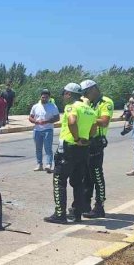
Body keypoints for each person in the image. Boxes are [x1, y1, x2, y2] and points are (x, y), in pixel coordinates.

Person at [45, 83, 97, 224]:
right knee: (78, 182)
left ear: (69, 94)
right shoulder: (89, 109)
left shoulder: (71, 107)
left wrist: (76, 138)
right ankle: (77, 213)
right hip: (83, 149)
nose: (63, 97)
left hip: (68, 148)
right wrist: (86, 139)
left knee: (59, 181)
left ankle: (60, 214)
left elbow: (72, 121)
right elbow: (94, 128)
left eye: (64, 94)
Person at [80, 79, 115, 217]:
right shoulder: (89, 103)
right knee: (85, 176)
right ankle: (84, 205)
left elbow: (104, 121)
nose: (85, 95)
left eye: (86, 92)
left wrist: (87, 119)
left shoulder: (105, 102)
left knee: (96, 175)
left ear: (94, 89)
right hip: (86, 141)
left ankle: (99, 206)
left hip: (96, 142)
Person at [28, 89, 60, 172]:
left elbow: (57, 118)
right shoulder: (35, 106)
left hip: (48, 130)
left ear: (49, 98)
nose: (44, 99)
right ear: (40, 97)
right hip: (37, 130)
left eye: (46, 97)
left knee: (48, 148)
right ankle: (39, 164)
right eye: (43, 97)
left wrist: (47, 121)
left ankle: (48, 164)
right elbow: (30, 117)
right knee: (38, 148)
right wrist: (35, 121)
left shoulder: (52, 106)